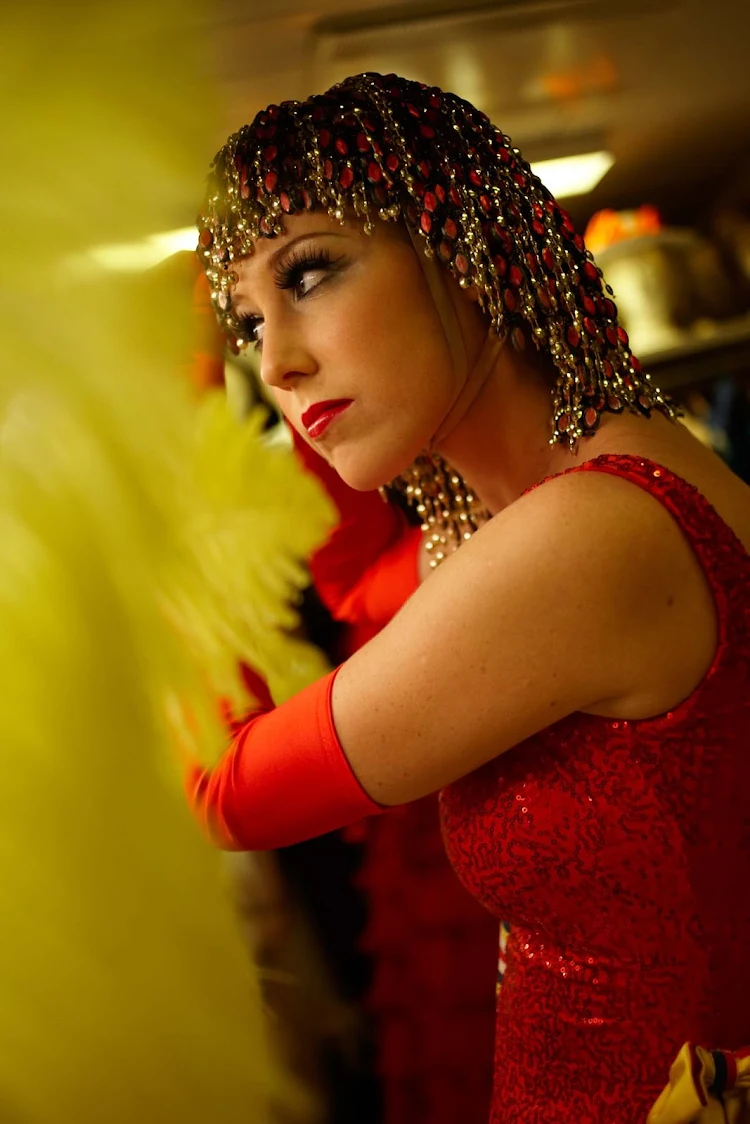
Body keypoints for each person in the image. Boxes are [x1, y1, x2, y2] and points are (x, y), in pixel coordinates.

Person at [187, 72, 750, 1123]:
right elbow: (365, 593)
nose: (279, 364)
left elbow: (230, 790)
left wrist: (112, 537)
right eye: (248, 325)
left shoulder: (583, 535)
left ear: (463, 245)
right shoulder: (530, 511)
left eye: (309, 275)